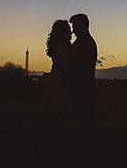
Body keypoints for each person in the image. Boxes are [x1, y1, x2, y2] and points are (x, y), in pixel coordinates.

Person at [39, 19, 74, 166]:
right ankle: (52, 157)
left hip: (54, 86)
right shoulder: (62, 46)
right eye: (68, 30)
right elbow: (67, 66)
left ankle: (50, 156)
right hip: (58, 89)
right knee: (55, 123)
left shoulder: (58, 45)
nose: (70, 33)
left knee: (51, 124)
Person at [67, 13, 98, 134]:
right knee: (83, 121)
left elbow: (80, 66)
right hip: (84, 88)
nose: (73, 31)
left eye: (75, 27)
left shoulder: (85, 43)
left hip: (83, 88)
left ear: (82, 26)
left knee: (84, 122)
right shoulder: (85, 42)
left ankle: (87, 149)